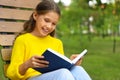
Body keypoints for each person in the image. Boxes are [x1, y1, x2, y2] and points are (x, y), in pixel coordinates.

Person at [6, 0, 92, 80]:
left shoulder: (57, 43)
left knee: (78, 69)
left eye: (53, 24)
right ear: (35, 15)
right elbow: (10, 73)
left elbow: (59, 69)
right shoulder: (23, 40)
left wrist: (71, 63)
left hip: (53, 76)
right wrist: (27, 65)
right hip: (31, 78)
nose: (49, 26)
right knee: (63, 73)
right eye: (46, 20)